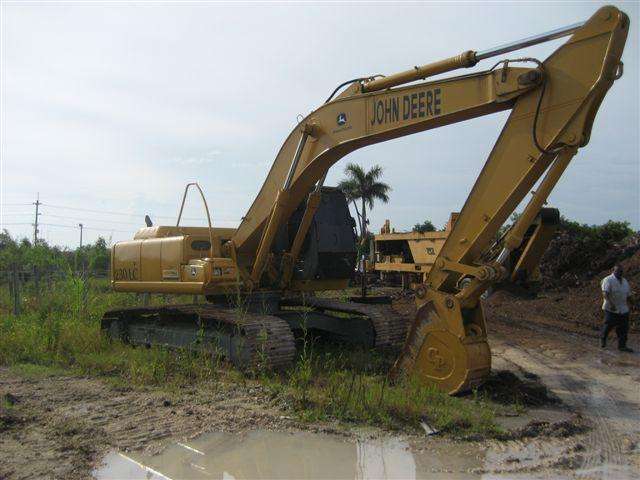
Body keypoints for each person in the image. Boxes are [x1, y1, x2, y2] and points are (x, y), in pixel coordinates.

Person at [601, 264, 633, 352]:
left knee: (623, 328)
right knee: (609, 325)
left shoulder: (625, 281)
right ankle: (603, 339)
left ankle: (622, 346)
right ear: (613, 271)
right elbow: (605, 294)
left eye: (621, 271)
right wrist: (611, 304)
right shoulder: (608, 280)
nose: (620, 273)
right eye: (618, 271)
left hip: (623, 309)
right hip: (611, 308)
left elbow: (628, 294)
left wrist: (634, 304)